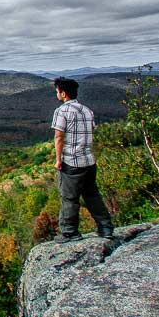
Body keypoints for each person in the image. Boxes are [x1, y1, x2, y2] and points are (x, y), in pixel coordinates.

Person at [51, 77, 114, 242]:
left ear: (63, 93)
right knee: (92, 196)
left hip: (71, 162)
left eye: (57, 91)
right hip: (89, 161)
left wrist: (58, 160)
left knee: (69, 198)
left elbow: (59, 137)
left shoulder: (61, 111)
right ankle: (105, 227)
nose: (57, 94)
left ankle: (69, 232)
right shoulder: (87, 110)